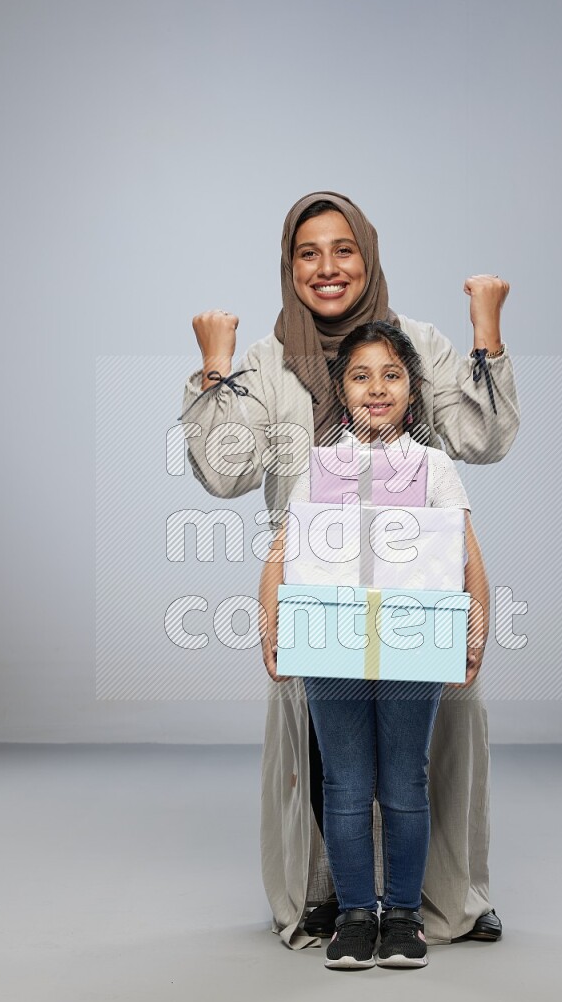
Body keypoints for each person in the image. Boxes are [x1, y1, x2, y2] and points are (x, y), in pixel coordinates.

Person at [178, 190, 520, 949]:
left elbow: (484, 440)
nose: (327, 267)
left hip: (420, 585)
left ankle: (445, 896)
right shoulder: (268, 363)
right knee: (324, 754)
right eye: (308, 252)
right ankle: (331, 899)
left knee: (441, 737)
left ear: (368, 256)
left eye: (343, 249)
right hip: (315, 587)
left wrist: (486, 334)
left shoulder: (415, 345)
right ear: (288, 266)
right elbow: (225, 473)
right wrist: (214, 368)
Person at [258, 321, 491, 970]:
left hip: (412, 642)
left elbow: (469, 556)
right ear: (342, 391)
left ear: (410, 391)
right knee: (345, 783)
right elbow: (282, 550)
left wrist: (475, 634)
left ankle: (405, 919)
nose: (376, 388)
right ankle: (357, 915)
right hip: (331, 642)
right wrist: (271, 625)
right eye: (361, 376)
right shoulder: (318, 466)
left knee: (405, 782)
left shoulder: (434, 467)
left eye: (391, 375)